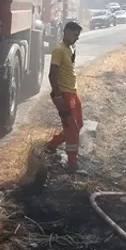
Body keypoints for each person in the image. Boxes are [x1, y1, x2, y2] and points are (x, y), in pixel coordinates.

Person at [46, 21, 84, 173]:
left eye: (78, 36)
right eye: (75, 35)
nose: (76, 38)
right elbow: (52, 75)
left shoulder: (70, 49)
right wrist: (58, 97)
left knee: (79, 124)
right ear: (66, 32)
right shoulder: (58, 50)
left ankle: (51, 146)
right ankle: (72, 164)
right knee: (72, 129)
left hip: (73, 92)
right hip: (64, 94)